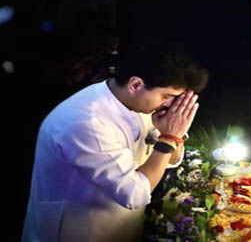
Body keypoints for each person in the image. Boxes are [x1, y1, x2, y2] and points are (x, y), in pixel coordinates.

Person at [22, 42, 209, 241]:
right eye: (167, 96)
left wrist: (172, 137)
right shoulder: (86, 122)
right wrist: (169, 139)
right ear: (135, 84)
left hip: (121, 226)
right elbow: (134, 193)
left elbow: (171, 159)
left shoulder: (137, 101)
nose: (170, 106)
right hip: (77, 231)